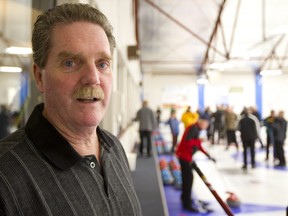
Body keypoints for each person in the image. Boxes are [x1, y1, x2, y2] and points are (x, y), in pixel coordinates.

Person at [0, 4, 142, 215]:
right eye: (70, 63)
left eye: (102, 64)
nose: (93, 78)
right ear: (40, 77)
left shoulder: (114, 148)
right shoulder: (5, 176)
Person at [175, 118, 215, 212]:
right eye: (206, 125)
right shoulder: (193, 128)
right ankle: (186, 203)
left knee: (188, 179)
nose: (206, 127)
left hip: (187, 156)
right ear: (202, 122)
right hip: (184, 156)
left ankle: (185, 198)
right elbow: (187, 142)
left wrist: (208, 155)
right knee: (188, 179)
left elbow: (198, 145)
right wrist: (199, 141)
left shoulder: (196, 129)